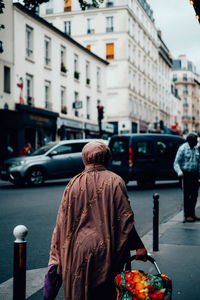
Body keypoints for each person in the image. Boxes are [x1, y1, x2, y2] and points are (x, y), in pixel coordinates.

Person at [43, 141, 147, 300]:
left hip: (77, 250)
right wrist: (138, 246)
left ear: (85, 157)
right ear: (107, 157)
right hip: (107, 250)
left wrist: (57, 256)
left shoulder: (73, 183)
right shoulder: (115, 181)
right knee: (106, 293)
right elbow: (125, 221)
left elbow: (62, 223)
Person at [174, 132, 200, 222]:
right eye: (195, 141)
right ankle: (187, 215)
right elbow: (176, 163)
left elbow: (198, 162)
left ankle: (192, 214)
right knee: (186, 195)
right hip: (185, 174)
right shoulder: (182, 149)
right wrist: (179, 172)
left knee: (194, 195)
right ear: (189, 141)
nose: (196, 142)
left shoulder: (196, 149)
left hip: (194, 174)